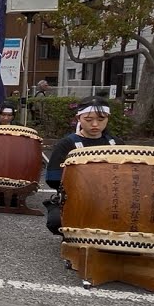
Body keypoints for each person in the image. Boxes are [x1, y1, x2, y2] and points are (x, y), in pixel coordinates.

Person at [42, 95, 122, 235]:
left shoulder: (116, 144)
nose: (95, 124)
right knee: (57, 221)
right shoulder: (67, 144)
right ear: (78, 118)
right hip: (77, 199)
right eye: (89, 120)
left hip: (112, 199)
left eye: (101, 119)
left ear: (108, 118)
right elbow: (53, 178)